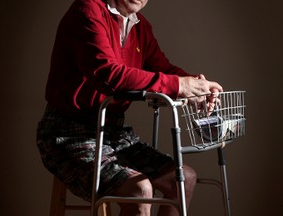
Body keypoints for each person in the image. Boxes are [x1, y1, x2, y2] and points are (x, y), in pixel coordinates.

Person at [36, 0, 223, 215]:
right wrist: (180, 85)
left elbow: (161, 69)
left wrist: (196, 86)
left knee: (184, 180)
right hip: (68, 133)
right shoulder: (87, 10)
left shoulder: (140, 25)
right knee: (140, 189)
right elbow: (108, 74)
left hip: (112, 134)